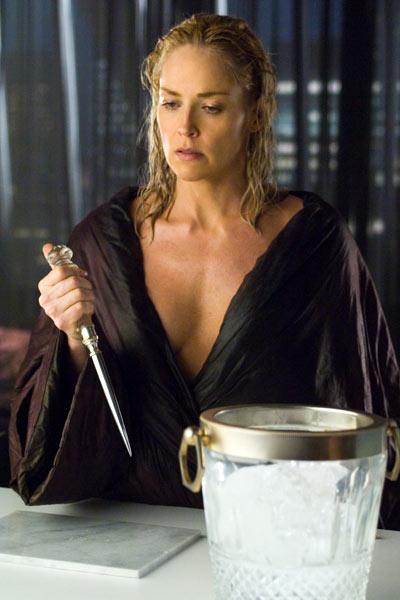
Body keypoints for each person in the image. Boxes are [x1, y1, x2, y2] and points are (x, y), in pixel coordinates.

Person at [8, 14, 400, 528]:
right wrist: (74, 340)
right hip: (126, 532)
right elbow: (51, 447)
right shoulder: (102, 241)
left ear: (255, 114)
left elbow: (356, 400)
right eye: (170, 102)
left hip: (267, 533)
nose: (184, 127)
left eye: (210, 107)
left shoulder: (314, 241)